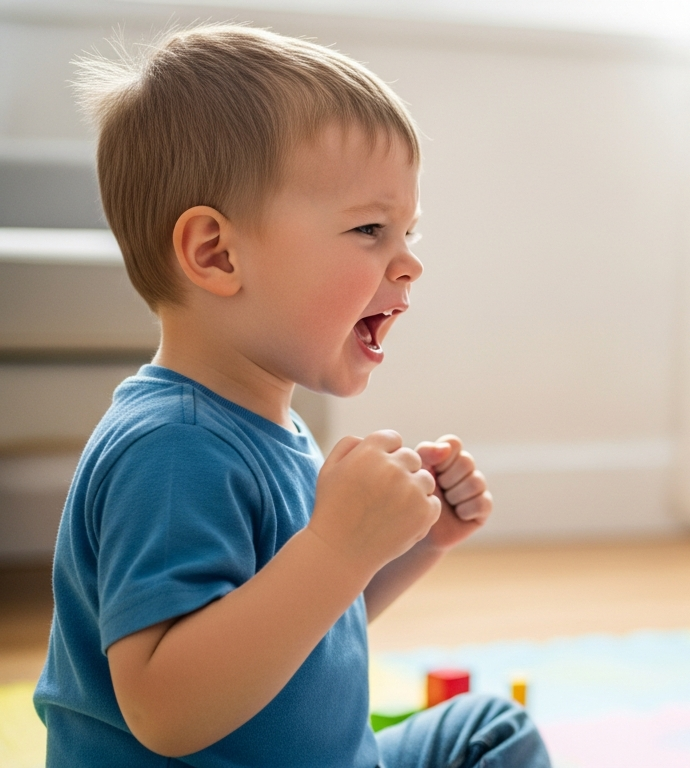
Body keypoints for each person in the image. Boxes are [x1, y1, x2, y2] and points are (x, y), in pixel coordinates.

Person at [33, 25, 552, 768]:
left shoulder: (268, 426)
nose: (410, 263)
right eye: (370, 228)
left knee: (489, 729)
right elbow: (167, 710)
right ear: (217, 253)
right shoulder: (172, 449)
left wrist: (407, 544)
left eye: (408, 231)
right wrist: (339, 547)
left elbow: (297, 632)